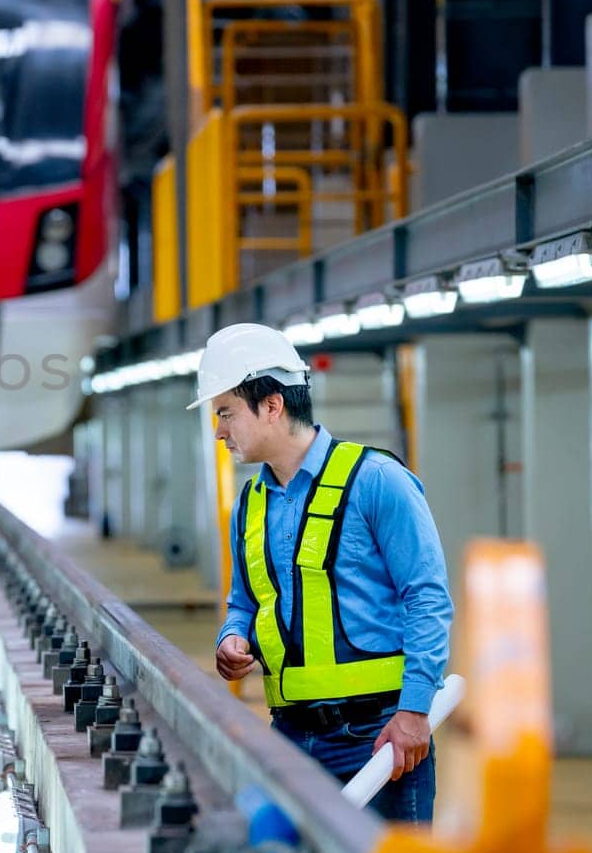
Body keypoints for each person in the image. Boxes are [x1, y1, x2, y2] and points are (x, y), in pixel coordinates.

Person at [188, 322, 452, 822]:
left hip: (377, 736)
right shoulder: (252, 502)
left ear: (271, 405)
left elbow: (427, 597)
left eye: (225, 413)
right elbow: (244, 599)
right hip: (289, 736)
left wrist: (416, 710)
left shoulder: (376, 480)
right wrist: (231, 635)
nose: (219, 430)